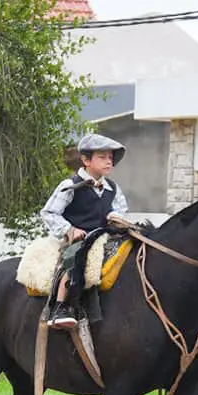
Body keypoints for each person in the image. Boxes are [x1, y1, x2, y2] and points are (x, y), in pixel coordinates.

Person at [40, 133, 130, 329]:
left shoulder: (113, 188)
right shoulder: (69, 186)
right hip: (77, 239)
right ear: (86, 160)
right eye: (102, 157)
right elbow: (49, 212)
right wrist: (69, 229)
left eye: (110, 158)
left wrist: (115, 218)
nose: (109, 162)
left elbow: (120, 210)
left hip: (104, 237)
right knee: (74, 257)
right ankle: (61, 307)